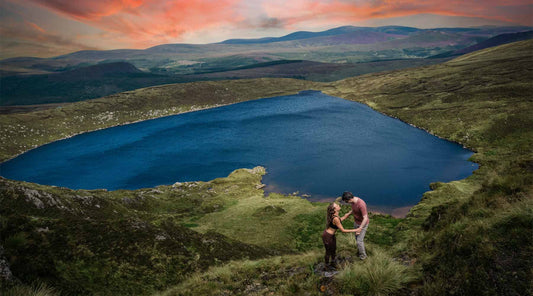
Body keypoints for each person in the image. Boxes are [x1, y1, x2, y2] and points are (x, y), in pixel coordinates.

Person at [322, 202, 359, 268]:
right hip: (327, 236)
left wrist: (349, 213)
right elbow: (343, 230)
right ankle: (326, 266)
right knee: (328, 252)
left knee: (333, 249)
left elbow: (340, 219)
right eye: (337, 205)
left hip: (331, 235)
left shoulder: (335, 215)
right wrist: (356, 230)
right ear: (334, 209)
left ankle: (333, 262)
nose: (339, 205)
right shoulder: (335, 218)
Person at [341, 191, 369, 260]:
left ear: (350, 199)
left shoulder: (361, 204)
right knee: (357, 239)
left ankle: (363, 257)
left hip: (363, 224)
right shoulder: (353, 202)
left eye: (346, 202)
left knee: (359, 241)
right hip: (356, 222)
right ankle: (360, 251)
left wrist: (360, 228)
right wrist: (348, 213)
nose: (346, 203)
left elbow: (365, 218)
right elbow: (354, 209)